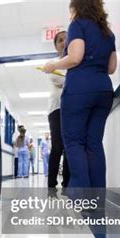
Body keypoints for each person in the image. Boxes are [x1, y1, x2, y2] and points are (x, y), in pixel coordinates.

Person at [43, 0, 117, 191]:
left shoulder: (78, 25)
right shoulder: (108, 34)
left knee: (74, 143)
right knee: (94, 144)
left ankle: (83, 198)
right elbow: (111, 68)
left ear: (76, 8)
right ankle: (97, 199)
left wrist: (52, 66)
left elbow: (75, 57)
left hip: (79, 91)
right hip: (104, 91)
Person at [47, 31, 70, 190]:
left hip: (71, 108)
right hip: (56, 109)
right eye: (60, 40)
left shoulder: (76, 61)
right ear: (56, 46)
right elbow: (57, 78)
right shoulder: (53, 62)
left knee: (69, 147)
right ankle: (51, 184)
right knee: (57, 147)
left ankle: (67, 184)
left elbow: (66, 80)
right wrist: (73, 77)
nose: (63, 42)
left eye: (66, 39)